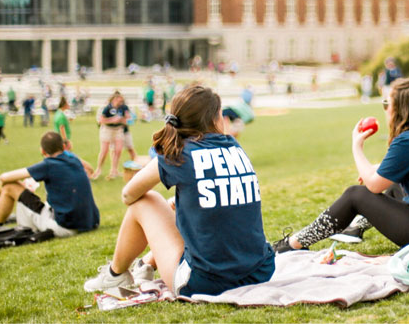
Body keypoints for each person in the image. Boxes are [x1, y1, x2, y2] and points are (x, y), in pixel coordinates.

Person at [83, 86, 275, 297]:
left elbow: (128, 194)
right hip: (260, 272)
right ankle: (144, 265)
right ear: (215, 118)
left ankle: (116, 273)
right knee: (181, 206)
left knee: (147, 201)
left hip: (206, 282)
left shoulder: (181, 154)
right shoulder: (236, 148)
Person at [272, 77, 409, 253]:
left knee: (356, 195)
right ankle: (356, 228)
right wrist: (379, 170)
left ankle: (293, 245)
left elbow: (372, 186)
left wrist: (356, 146)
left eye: (386, 104)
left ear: (401, 110)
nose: (385, 109)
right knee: (393, 182)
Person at [0, 131, 99, 237]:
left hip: (65, 227)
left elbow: (4, 177)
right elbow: (89, 168)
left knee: (9, 187)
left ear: (42, 151)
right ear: (63, 146)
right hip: (90, 222)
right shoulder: (73, 158)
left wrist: (19, 184)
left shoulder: (48, 165)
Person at [94, 91, 131, 180]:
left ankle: (114, 170)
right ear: (114, 99)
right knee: (104, 151)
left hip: (118, 129)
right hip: (107, 129)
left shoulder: (123, 108)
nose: (121, 103)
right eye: (119, 101)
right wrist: (112, 120)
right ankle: (99, 169)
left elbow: (128, 119)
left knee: (118, 150)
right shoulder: (107, 108)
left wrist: (123, 120)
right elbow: (101, 120)